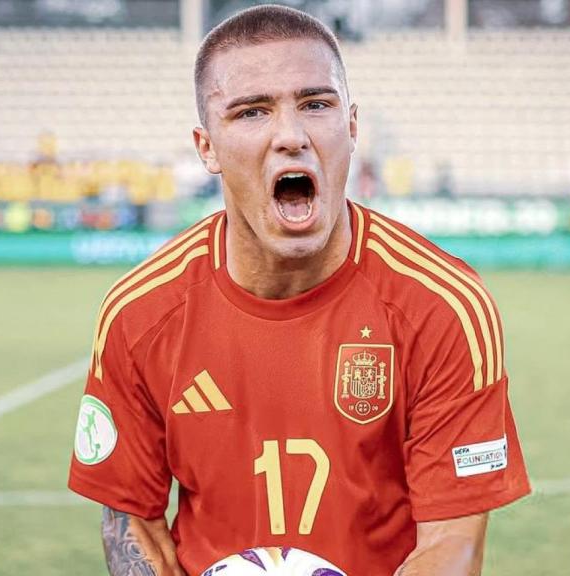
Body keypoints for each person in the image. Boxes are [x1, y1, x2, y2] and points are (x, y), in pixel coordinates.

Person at [68, 6, 530, 575]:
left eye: (315, 104)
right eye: (251, 112)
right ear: (206, 147)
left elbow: (451, 543)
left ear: (352, 126)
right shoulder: (139, 313)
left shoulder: (443, 304)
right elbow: (132, 523)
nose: (291, 136)